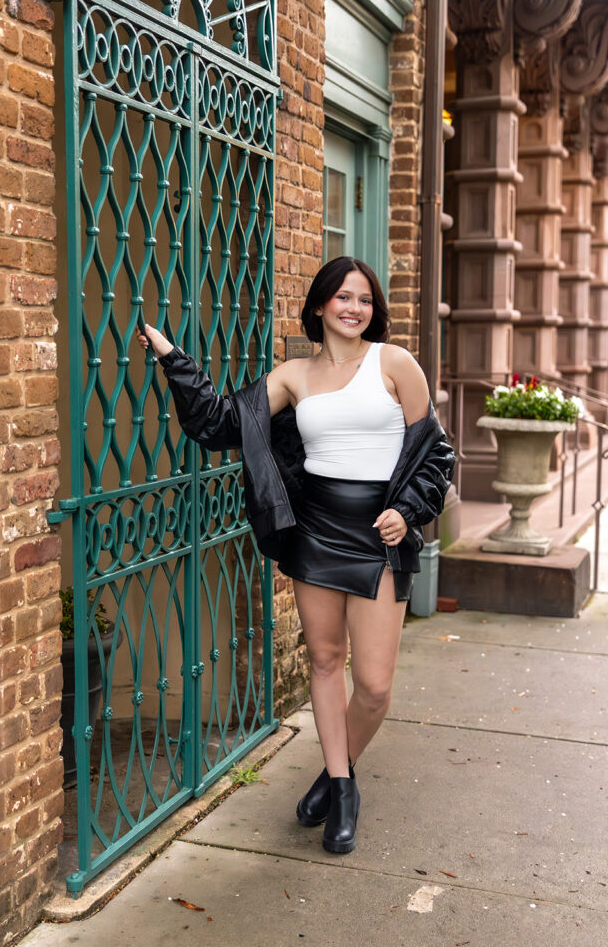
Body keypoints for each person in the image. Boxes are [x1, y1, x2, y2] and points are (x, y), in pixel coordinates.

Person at [137, 256, 455, 855]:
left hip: (380, 534)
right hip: (316, 531)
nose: (354, 308)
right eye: (343, 297)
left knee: (375, 685)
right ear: (318, 306)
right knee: (327, 661)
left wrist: (408, 511)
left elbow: (436, 454)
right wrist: (172, 358)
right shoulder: (292, 376)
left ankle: (334, 775)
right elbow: (222, 422)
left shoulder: (394, 364)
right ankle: (342, 787)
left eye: (364, 299)